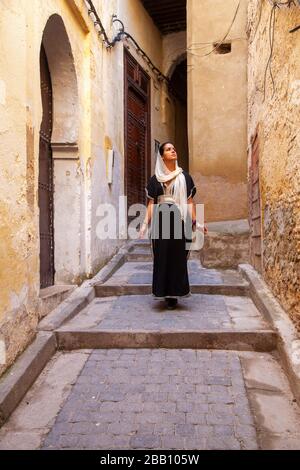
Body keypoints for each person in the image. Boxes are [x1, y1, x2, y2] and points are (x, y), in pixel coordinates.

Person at [139, 142, 208, 310]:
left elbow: (189, 201)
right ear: (162, 156)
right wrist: (144, 224)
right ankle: (163, 292)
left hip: (179, 219)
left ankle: (175, 293)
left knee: (178, 258)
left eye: (174, 148)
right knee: (162, 257)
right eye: (169, 149)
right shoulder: (155, 179)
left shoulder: (184, 177)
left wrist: (195, 222)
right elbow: (151, 203)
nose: (173, 150)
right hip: (160, 221)